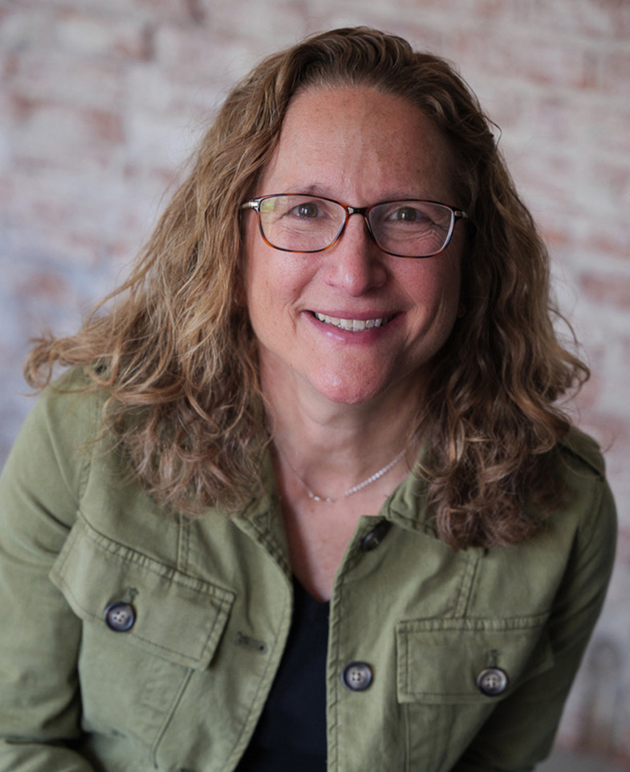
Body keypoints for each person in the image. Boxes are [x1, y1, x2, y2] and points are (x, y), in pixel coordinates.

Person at [0, 26, 617, 772]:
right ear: (234, 235)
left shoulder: (562, 508)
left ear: (470, 253)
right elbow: (17, 741)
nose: (354, 272)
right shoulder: (86, 433)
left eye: (407, 215)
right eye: (304, 210)